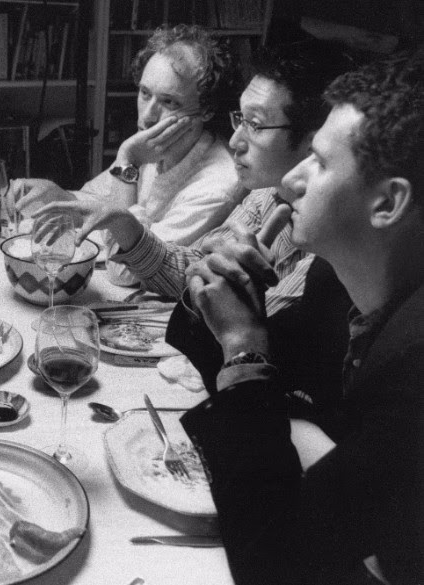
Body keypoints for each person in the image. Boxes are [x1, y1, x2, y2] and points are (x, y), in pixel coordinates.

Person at [180, 53, 424, 585]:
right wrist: (218, 290)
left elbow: (277, 563)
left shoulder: (414, 375)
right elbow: (252, 374)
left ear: (387, 203)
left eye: (319, 160)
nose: (291, 180)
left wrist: (244, 346)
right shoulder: (334, 284)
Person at [33, 39, 357, 314]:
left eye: (255, 125)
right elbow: (193, 268)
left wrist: (195, 304)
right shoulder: (265, 196)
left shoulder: (326, 243)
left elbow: (256, 330)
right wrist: (125, 225)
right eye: (240, 119)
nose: (235, 141)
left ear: (315, 141)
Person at [18, 24, 244, 286]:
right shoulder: (156, 146)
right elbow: (97, 200)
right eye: (145, 93)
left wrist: (128, 160)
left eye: (169, 102)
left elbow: (124, 271)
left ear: (206, 110)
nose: (148, 116)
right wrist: (58, 196)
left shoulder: (217, 186)